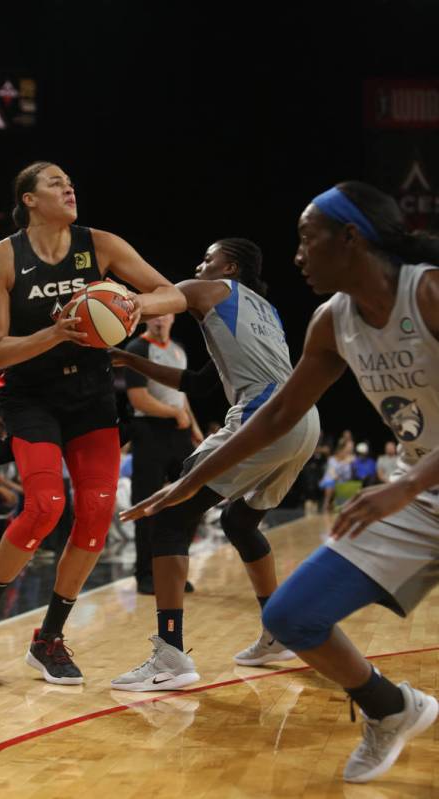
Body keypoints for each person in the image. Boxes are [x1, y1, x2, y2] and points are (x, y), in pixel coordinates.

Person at [124, 182, 439, 784]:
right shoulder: (330, 322)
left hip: (415, 485)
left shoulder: (426, 291)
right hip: (420, 494)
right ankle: (391, 708)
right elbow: (275, 415)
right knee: (295, 619)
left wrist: (404, 483)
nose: (297, 255)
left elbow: (164, 302)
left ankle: (170, 652)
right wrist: (193, 482)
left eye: (306, 238)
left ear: (350, 238)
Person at [0, 160, 186, 683]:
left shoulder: (99, 244)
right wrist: (56, 334)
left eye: (71, 182)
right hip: (31, 397)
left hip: (90, 395)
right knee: (44, 506)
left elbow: (172, 294)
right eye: (55, 182)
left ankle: (50, 639)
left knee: (98, 512)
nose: (68, 187)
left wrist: (128, 302)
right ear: (29, 199)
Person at [111, 236, 320, 692]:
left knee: (169, 514)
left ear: (230, 266)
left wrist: (108, 301)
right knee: (241, 523)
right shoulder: (263, 311)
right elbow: (200, 385)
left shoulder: (214, 290)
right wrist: (129, 358)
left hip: (263, 417)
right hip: (304, 421)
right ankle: (277, 631)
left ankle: (170, 656)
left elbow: (161, 298)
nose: (199, 264)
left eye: (208, 258)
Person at [123, 314, 203, 594]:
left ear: (172, 317)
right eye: (154, 316)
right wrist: (175, 413)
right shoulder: (136, 349)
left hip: (179, 431)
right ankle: (145, 574)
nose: (160, 320)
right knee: (145, 505)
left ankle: (173, 569)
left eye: (164, 315)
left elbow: (181, 395)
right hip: (148, 430)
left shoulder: (179, 350)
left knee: (192, 498)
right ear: (146, 319)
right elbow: (138, 399)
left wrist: (194, 426)